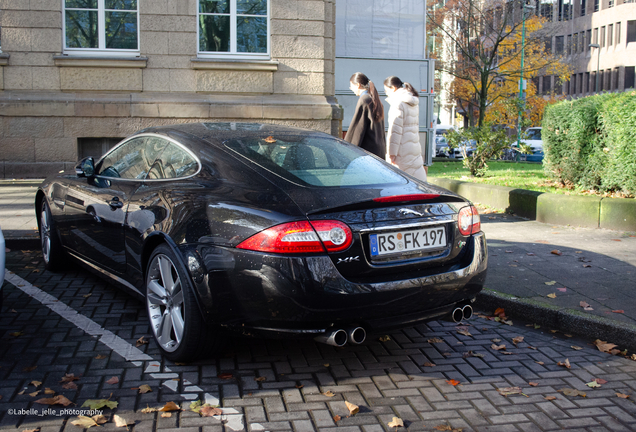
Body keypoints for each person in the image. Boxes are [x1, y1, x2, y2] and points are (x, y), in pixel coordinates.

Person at [383, 76, 427, 182]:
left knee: (401, 184)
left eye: (386, 90)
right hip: (414, 148)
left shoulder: (398, 104)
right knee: (418, 182)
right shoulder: (412, 102)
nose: (385, 93)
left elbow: (395, 131)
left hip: (401, 151)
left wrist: (391, 154)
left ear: (393, 88)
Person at [344, 72, 386, 159]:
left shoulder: (364, 100)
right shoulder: (375, 99)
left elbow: (357, 128)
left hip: (368, 152)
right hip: (378, 150)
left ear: (358, 85)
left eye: (351, 86)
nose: (351, 89)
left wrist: (346, 149)